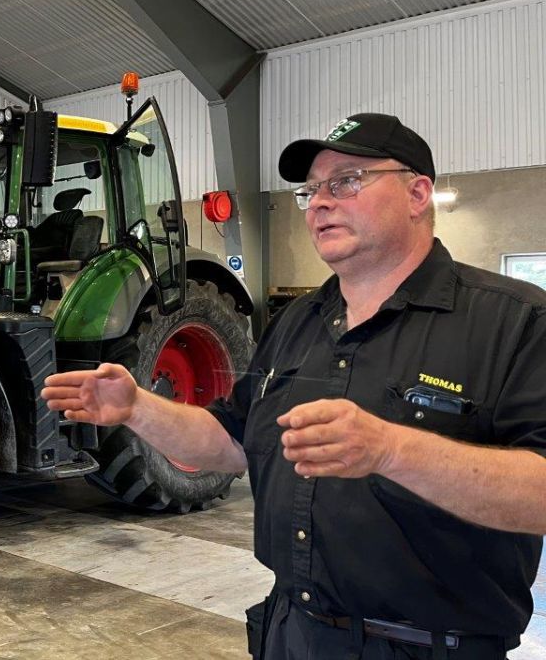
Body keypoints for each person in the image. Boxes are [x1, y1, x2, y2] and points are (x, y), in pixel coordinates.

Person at [42, 113, 546, 659]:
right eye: (311, 191)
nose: (321, 202)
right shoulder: (298, 321)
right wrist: (138, 407)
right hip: (293, 633)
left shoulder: (514, 323)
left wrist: (392, 449)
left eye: (347, 181)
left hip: (428, 647)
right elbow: (231, 442)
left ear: (418, 192)